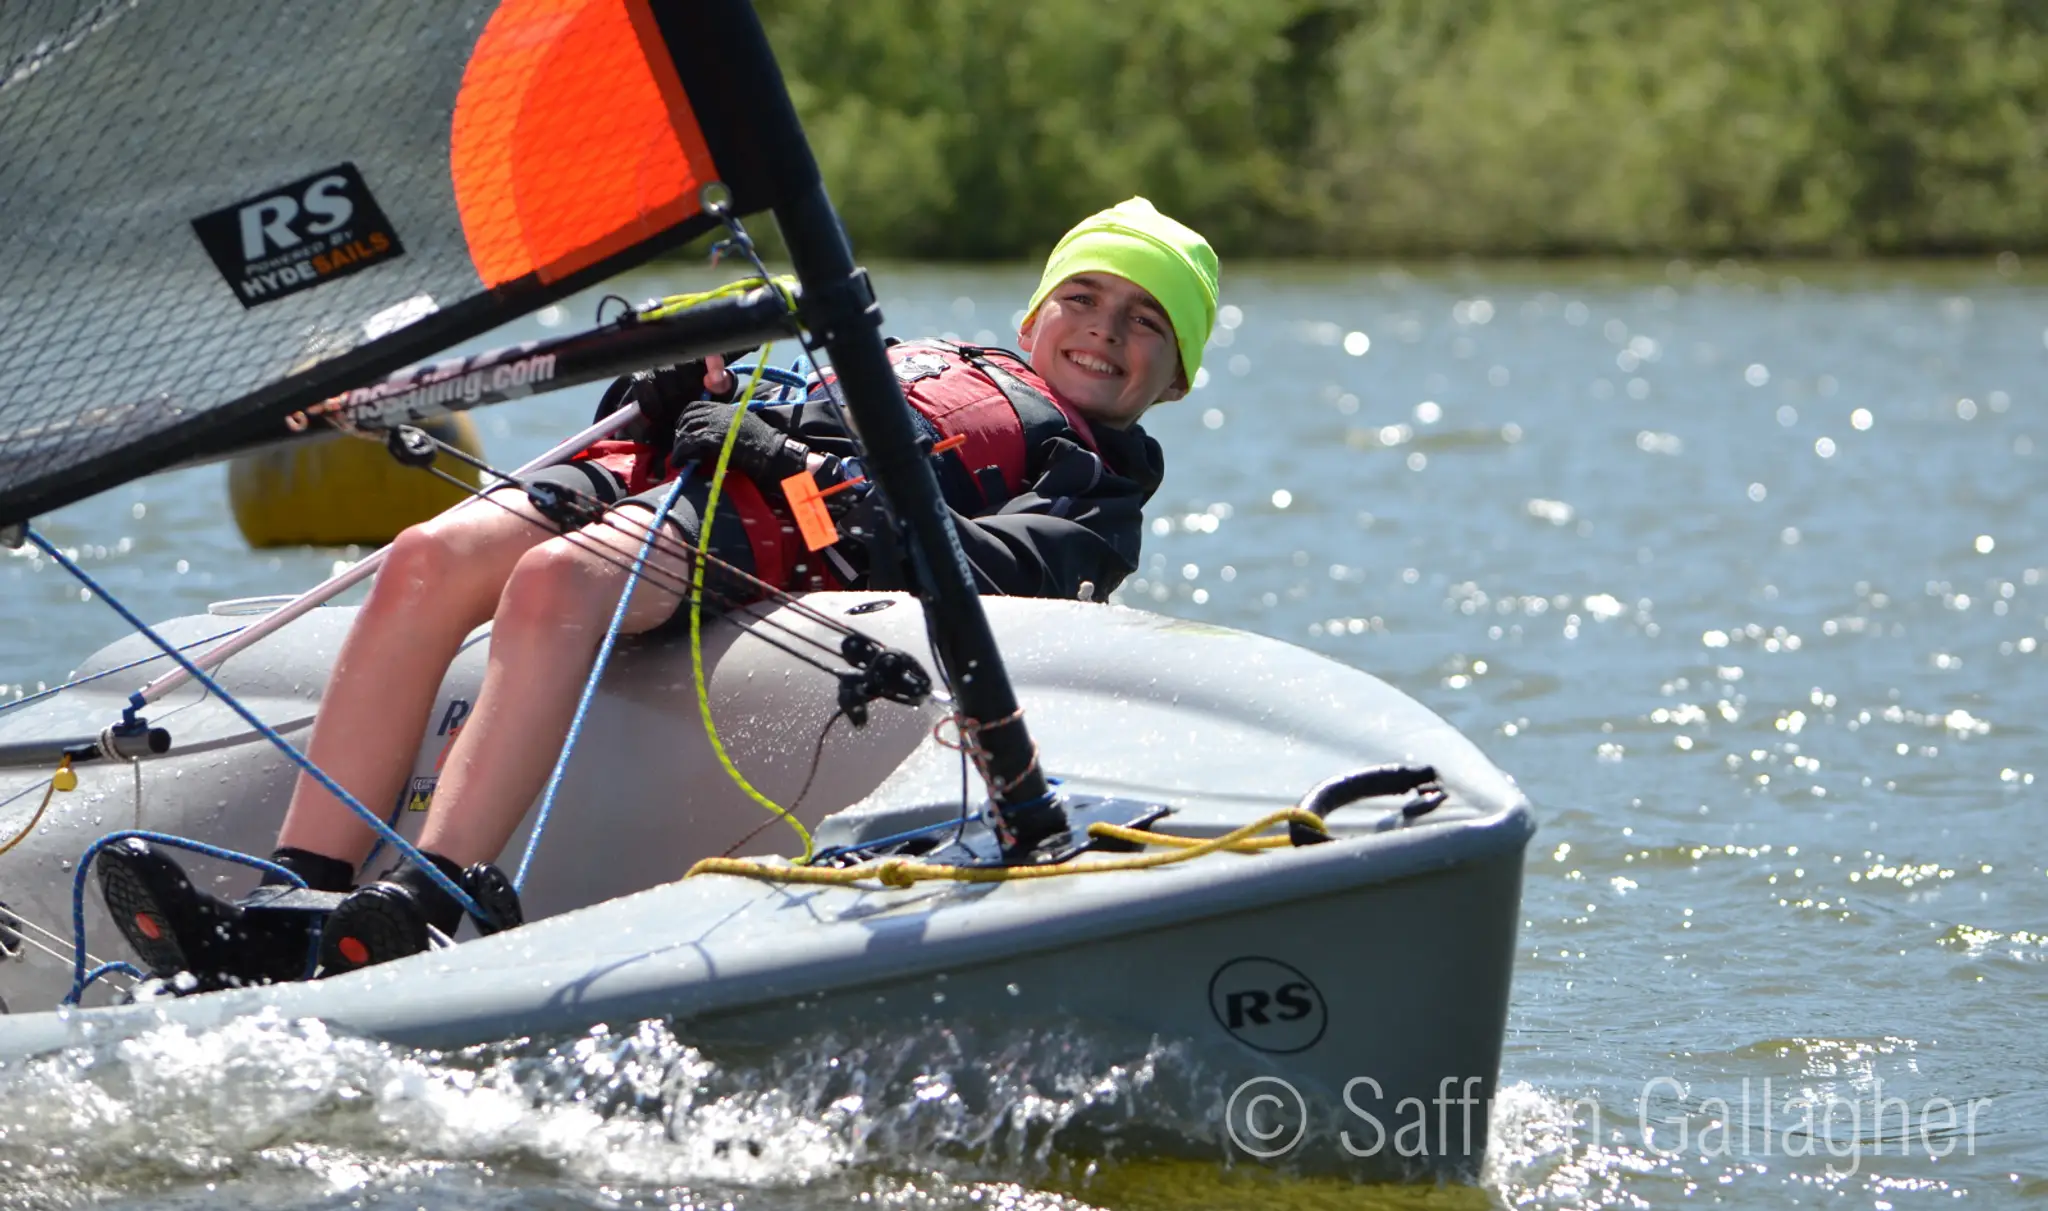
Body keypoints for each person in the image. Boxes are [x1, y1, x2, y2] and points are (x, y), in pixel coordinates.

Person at [95, 197, 1220, 987]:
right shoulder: (938, 350)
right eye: (1085, 295)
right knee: (424, 561)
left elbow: (999, 572)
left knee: (550, 583)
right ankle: (302, 891)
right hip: (681, 459)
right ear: (1034, 313)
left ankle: (435, 896)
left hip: (780, 523)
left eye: (1144, 323)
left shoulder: (1091, 480)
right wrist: (693, 382)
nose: (1104, 331)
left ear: (1172, 379)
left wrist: (815, 475)